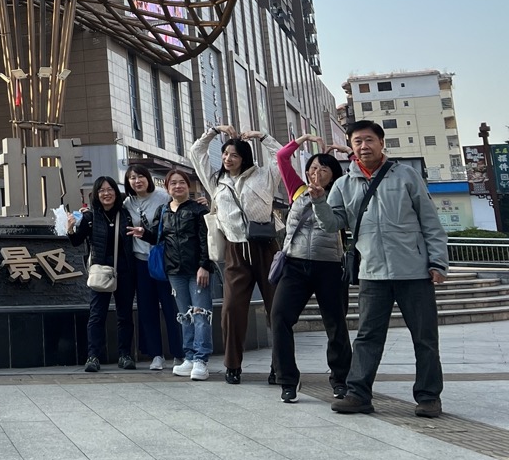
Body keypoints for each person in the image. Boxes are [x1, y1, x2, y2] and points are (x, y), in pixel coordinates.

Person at [310, 120, 448, 418]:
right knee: (367, 337)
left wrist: (438, 262)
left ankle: (428, 397)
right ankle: (358, 394)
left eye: (369, 140)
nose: (364, 146)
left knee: (424, 337)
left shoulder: (407, 175)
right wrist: (319, 201)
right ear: (351, 147)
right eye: (357, 141)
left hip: (414, 271)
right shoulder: (344, 184)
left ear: (381, 142)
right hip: (372, 273)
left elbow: (430, 221)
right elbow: (332, 224)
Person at [189, 124, 284, 384]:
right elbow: (196, 152)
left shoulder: (264, 176)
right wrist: (213, 130)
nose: (227, 159)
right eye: (225, 154)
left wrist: (262, 137)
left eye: (234, 155)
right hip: (235, 250)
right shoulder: (215, 182)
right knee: (231, 309)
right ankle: (233, 365)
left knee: (277, 308)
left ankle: (280, 366)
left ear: (244, 158)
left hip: (266, 249)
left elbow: (282, 156)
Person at [269, 134, 352, 403]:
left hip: (329, 266)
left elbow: (363, 173)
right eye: (313, 168)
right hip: (294, 265)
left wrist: (348, 151)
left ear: (333, 174)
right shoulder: (297, 189)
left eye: (324, 169)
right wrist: (302, 139)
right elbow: (282, 157)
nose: (317, 172)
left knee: (336, 324)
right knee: (280, 317)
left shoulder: (342, 193)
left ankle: (340, 379)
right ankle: (287, 379)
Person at [135, 168, 213, 380]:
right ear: (167, 188)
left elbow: (206, 240)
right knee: (185, 316)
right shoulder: (163, 211)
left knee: (201, 314)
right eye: (173, 183)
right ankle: (189, 357)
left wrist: (204, 265)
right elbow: (158, 237)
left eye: (181, 182)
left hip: (197, 270)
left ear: (188, 186)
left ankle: (201, 360)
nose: (177, 186)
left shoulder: (198, 210)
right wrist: (144, 234)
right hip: (174, 272)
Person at [67, 175, 137, 372]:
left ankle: (125, 355)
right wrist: (70, 229)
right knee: (97, 315)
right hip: (100, 270)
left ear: (116, 192)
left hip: (125, 270)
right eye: (102, 190)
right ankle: (93, 357)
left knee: (125, 315)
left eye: (110, 189)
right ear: (96, 194)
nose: (106, 193)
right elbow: (76, 241)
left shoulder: (125, 214)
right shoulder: (90, 217)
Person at [122, 166, 183, 370]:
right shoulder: (128, 203)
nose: (137, 180)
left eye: (140, 176)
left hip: (164, 260)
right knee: (147, 309)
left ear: (148, 178)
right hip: (141, 261)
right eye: (132, 178)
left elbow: (180, 206)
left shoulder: (163, 196)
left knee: (171, 307)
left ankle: (179, 353)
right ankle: (156, 354)